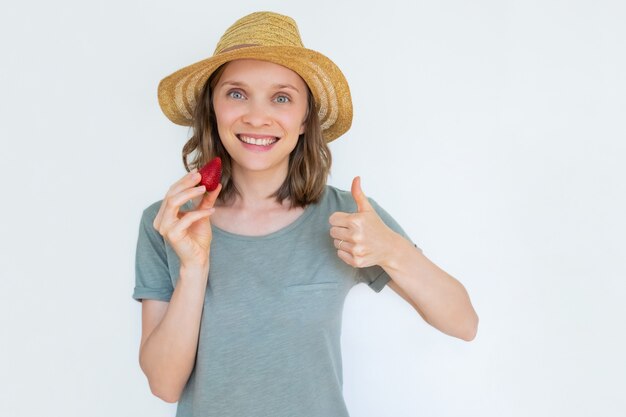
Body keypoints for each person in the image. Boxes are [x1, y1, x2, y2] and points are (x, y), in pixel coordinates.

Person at [133, 11, 478, 417]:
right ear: (212, 108)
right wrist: (193, 268)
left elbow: (463, 323)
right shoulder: (168, 222)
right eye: (236, 93)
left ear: (303, 120)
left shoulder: (345, 214)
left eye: (281, 98)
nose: (257, 116)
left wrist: (393, 251)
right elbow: (164, 385)